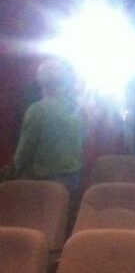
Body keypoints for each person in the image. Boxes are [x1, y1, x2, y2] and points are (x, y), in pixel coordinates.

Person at [10, 59, 84, 195]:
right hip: (73, 178)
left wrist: (14, 171)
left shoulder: (37, 110)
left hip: (44, 181)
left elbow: (25, 150)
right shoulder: (75, 109)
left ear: (41, 82)